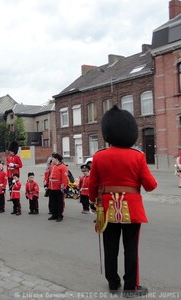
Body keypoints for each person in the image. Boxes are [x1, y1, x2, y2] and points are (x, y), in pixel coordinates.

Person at [89, 105, 157, 297]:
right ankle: (130, 288)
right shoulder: (138, 157)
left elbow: (92, 186)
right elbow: (151, 185)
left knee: (110, 249)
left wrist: (95, 202)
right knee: (131, 250)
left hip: (107, 209)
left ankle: (113, 283)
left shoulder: (99, 156)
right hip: (132, 210)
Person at [46, 152, 68, 222]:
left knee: (59, 202)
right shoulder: (52, 166)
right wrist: (47, 184)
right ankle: (54, 214)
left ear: (57, 159)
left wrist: (63, 187)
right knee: (52, 201)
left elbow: (64, 178)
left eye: (53, 159)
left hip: (58, 187)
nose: (52, 160)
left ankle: (59, 215)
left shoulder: (63, 167)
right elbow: (48, 175)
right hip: (51, 186)